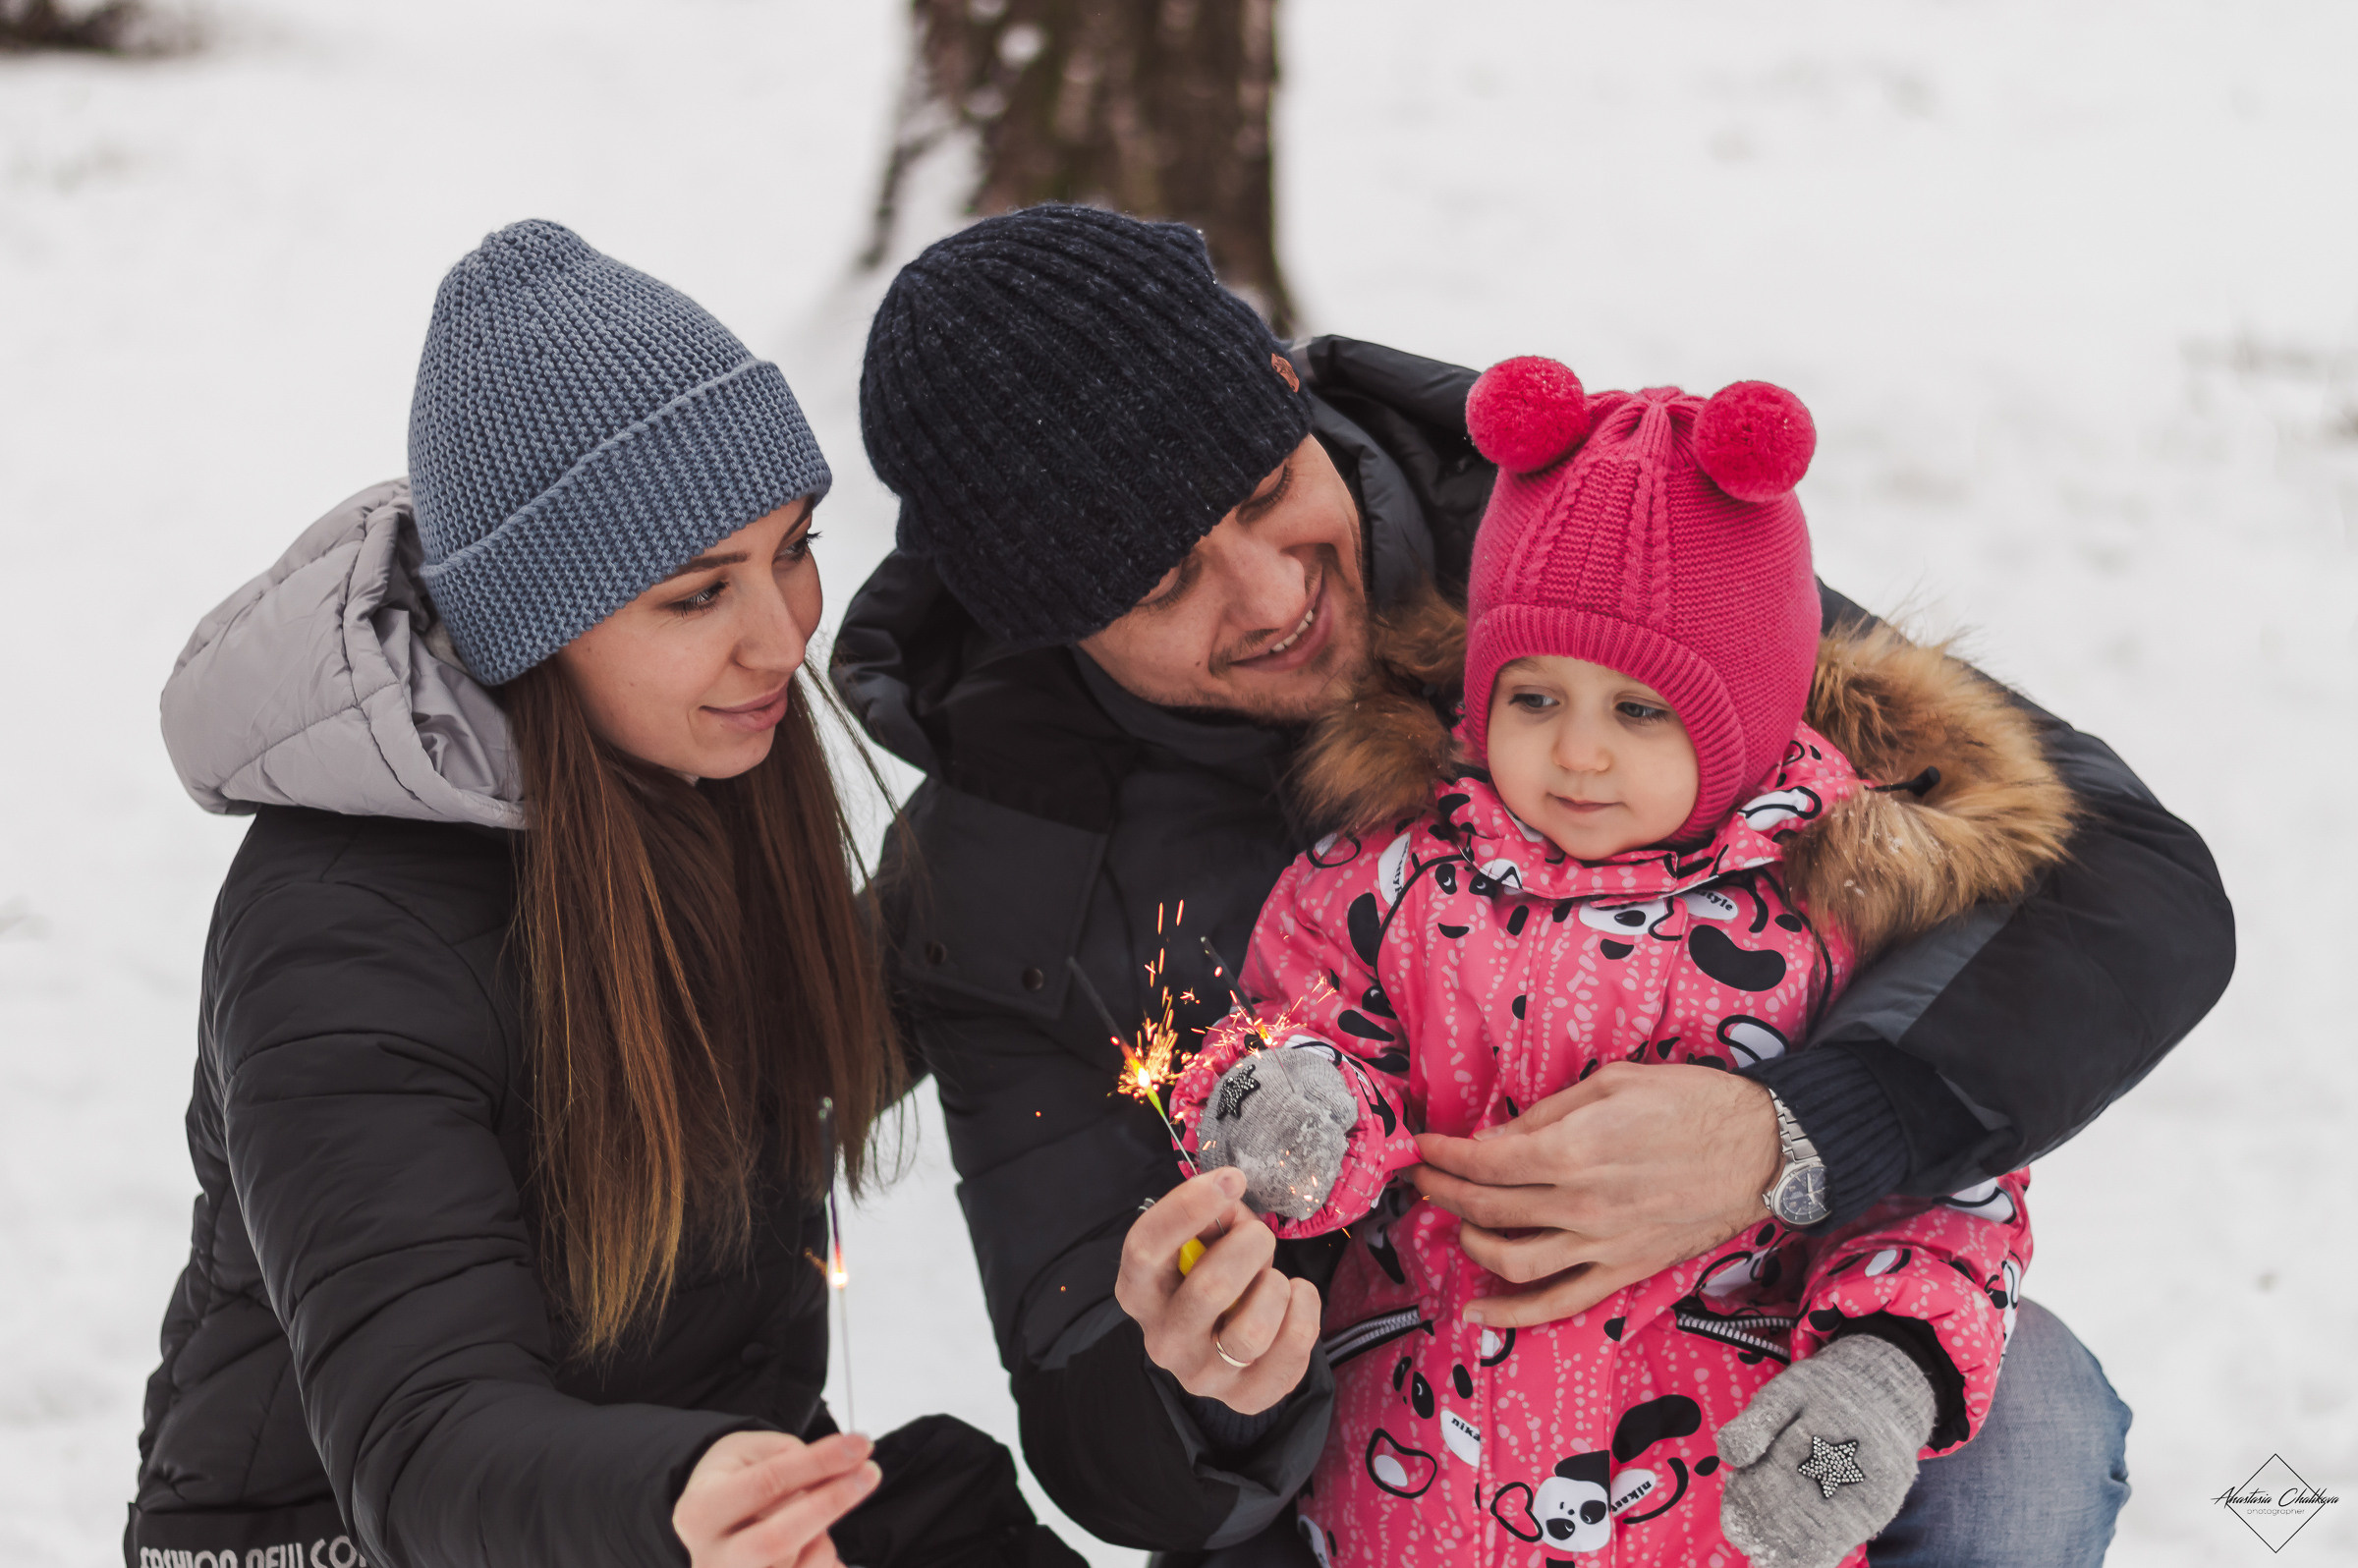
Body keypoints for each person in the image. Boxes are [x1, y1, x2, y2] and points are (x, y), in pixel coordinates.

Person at [835, 204, 2232, 1564]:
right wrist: (1200, 1384)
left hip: (1728, 1376)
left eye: (1266, 495)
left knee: (2027, 1430)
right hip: (1378, 1461)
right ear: (1052, 622)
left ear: (1284, 391)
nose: (1270, 597)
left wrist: (1791, 1132)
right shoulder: (1008, 872)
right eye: (1164, 587)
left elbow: (2119, 876)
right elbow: (1090, 1408)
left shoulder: (1580, 536)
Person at [134, 221, 1080, 1568]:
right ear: (534, 628)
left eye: (793, 547)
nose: (782, 636)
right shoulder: (343, 934)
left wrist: (1058, 784)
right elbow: (424, 1432)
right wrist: (678, 1494)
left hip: (677, 1477)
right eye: (698, 595)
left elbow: (805, 1032)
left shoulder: (684, 752)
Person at [1172, 355, 2063, 1567]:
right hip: (1420, 1500)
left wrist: (1881, 1383)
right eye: (1535, 699)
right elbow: (1288, 1030)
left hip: (1712, 1509)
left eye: (1641, 710)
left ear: (1750, 713)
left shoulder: (1840, 911)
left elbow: (1940, 1187)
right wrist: (1293, 1110)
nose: (1579, 753)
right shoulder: (1390, 880)